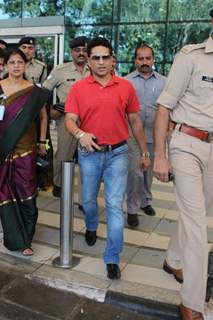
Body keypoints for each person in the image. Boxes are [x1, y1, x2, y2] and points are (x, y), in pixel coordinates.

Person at [65, 37, 150, 280]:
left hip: (119, 154)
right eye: (96, 57)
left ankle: (112, 257)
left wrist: (144, 152)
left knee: (114, 206)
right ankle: (91, 224)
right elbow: (70, 120)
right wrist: (80, 134)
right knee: (89, 201)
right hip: (89, 153)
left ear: (113, 60)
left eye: (106, 57)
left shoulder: (125, 87)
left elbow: (134, 121)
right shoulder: (78, 88)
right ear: (89, 61)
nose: (101, 62)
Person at [153, 9, 213, 320]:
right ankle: (192, 302)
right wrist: (161, 155)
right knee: (197, 226)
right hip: (185, 143)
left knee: (198, 212)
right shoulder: (191, 57)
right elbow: (164, 106)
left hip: (212, 148)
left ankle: (173, 259)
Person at [0, 48, 50, 256]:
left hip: (26, 149)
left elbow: (44, 118)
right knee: (4, 191)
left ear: (25, 65)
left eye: (20, 62)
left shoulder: (35, 92)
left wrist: (42, 142)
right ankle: (15, 238)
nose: (16, 66)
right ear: (5, 65)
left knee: (27, 191)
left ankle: (27, 239)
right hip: (2, 148)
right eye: (12, 62)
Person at [43, 36, 90, 197]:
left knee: (90, 155)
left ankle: (88, 190)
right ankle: (58, 183)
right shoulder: (60, 70)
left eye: (84, 50)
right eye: (78, 50)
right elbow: (44, 91)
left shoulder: (96, 69)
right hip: (67, 118)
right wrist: (50, 109)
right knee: (63, 154)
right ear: (71, 52)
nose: (81, 53)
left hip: (91, 119)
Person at [125, 44, 166, 227]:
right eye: (140, 58)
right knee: (135, 173)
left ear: (153, 59)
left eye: (147, 58)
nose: (144, 62)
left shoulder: (164, 82)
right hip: (132, 136)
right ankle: (132, 209)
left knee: (148, 173)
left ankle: (146, 201)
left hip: (154, 134)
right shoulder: (126, 82)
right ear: (135, 60)